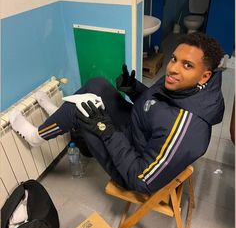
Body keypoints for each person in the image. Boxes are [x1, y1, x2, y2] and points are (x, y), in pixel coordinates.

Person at [9, 33, 225, 194]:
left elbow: (141, 180)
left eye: (187, 65)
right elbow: (159, 108)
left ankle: (36, 136)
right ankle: (62, 118)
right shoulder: (185, 87)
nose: (173, 69)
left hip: (129, 167)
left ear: (204, 76)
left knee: (82, 108)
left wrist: (105, 128)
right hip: (134, 131)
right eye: (174, 59)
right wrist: (134, 89)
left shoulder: (188, 129)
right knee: (98, 85)